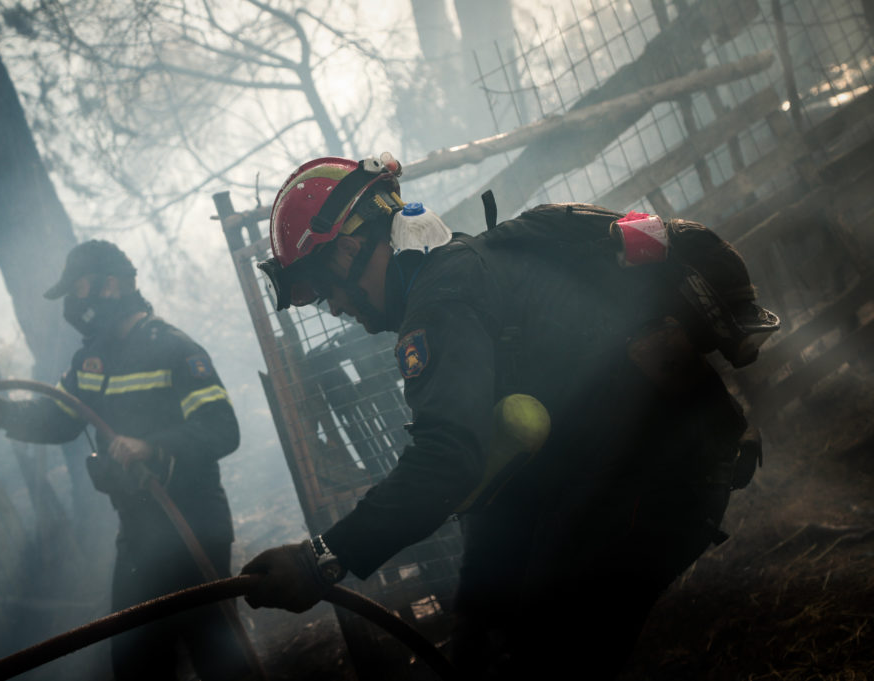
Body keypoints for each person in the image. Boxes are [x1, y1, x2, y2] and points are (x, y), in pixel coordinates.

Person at [240, 154, 776, 678]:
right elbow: (506, 474)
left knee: (549, 654)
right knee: (511, 640)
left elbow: (448, 458)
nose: (333, 308)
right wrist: (479, 611)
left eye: (322, 291)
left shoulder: (442, 300)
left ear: (349, 252)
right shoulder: (464, 268)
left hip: (660, 476)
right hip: (633, 467)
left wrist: (324, 558)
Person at [0, 240, 253, 681]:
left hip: (192, 528)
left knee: (218, 658)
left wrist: (152, 446)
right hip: (137, 535)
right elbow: (55, 421)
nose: (75, 305)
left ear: (111, 286)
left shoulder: (173, 348)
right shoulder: (92, 362)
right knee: (136, 664)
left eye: (79, 290)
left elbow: (223, 428)